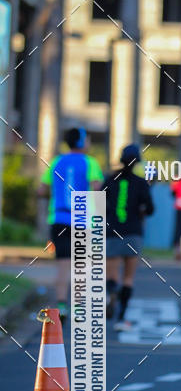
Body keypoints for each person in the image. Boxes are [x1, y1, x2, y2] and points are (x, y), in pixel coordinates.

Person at [38, 127, 103, 321]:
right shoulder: (90, 162)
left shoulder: (57, 161)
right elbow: (97, 188)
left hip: (58, 220)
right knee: (80, 266)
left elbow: (41, 190)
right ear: (83, 142)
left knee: (63, 265)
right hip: (82, 221)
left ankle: (61, 306)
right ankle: (77, 309)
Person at [103, 144, 154, 330]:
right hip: (134, 233)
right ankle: (121, 318)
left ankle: (111, 293)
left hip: (112, 231)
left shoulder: (110, 179)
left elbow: (98, 202)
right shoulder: (141, 183)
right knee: (129, 278)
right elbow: (150, 209)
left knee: (111, 274)